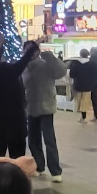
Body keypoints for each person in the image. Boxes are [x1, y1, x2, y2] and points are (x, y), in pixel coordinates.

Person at [0, 40, 39, 158]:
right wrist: (34, 46)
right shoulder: (8, 73)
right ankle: (15, 174)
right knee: (17, 153)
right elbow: (23, 62)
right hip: (15, 119)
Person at [25, 45, 67, 182]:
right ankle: (39, 166)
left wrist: (49, 56)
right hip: (31, 107)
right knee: (33, 140)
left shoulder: (46, 65)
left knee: (49, 139)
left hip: (46, 106)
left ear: (37, 51)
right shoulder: (24, 66)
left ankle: (55, 170)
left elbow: (61, 71)